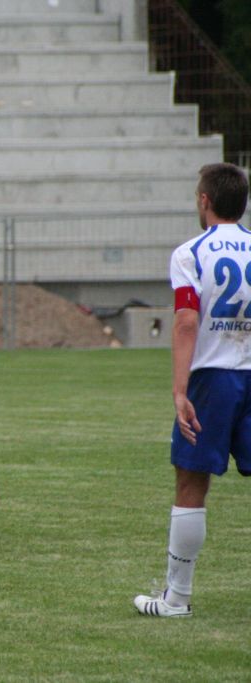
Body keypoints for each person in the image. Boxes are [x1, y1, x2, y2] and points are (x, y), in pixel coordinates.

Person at [133, 162, 251, 618]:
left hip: (212, 380)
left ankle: (177, 599)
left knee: (191, 482)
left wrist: (180, 391)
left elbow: (186, 321)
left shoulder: (190, 253)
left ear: (205, 201)